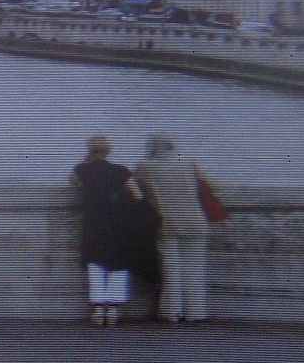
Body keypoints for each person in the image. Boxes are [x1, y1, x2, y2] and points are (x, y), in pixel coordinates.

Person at [71, 135, 142, 328]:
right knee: (118, 265)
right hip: (118, 223)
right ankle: (113, 309)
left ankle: (98, 309)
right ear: (109, 151)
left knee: (95, 264)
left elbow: (72, 183)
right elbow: (137, 195)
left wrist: (87, 160)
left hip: (93, 223)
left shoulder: (82, 169)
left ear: (90, 150)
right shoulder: (121, 171)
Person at [136, 133, 208, 324]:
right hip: (196, 222)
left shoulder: (146, 167)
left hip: (167, 223)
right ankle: (196, 312)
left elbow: (136, 191)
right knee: (195, 269)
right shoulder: (188, 164)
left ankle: (171, 311)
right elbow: (211, 185)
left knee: (171, 269)